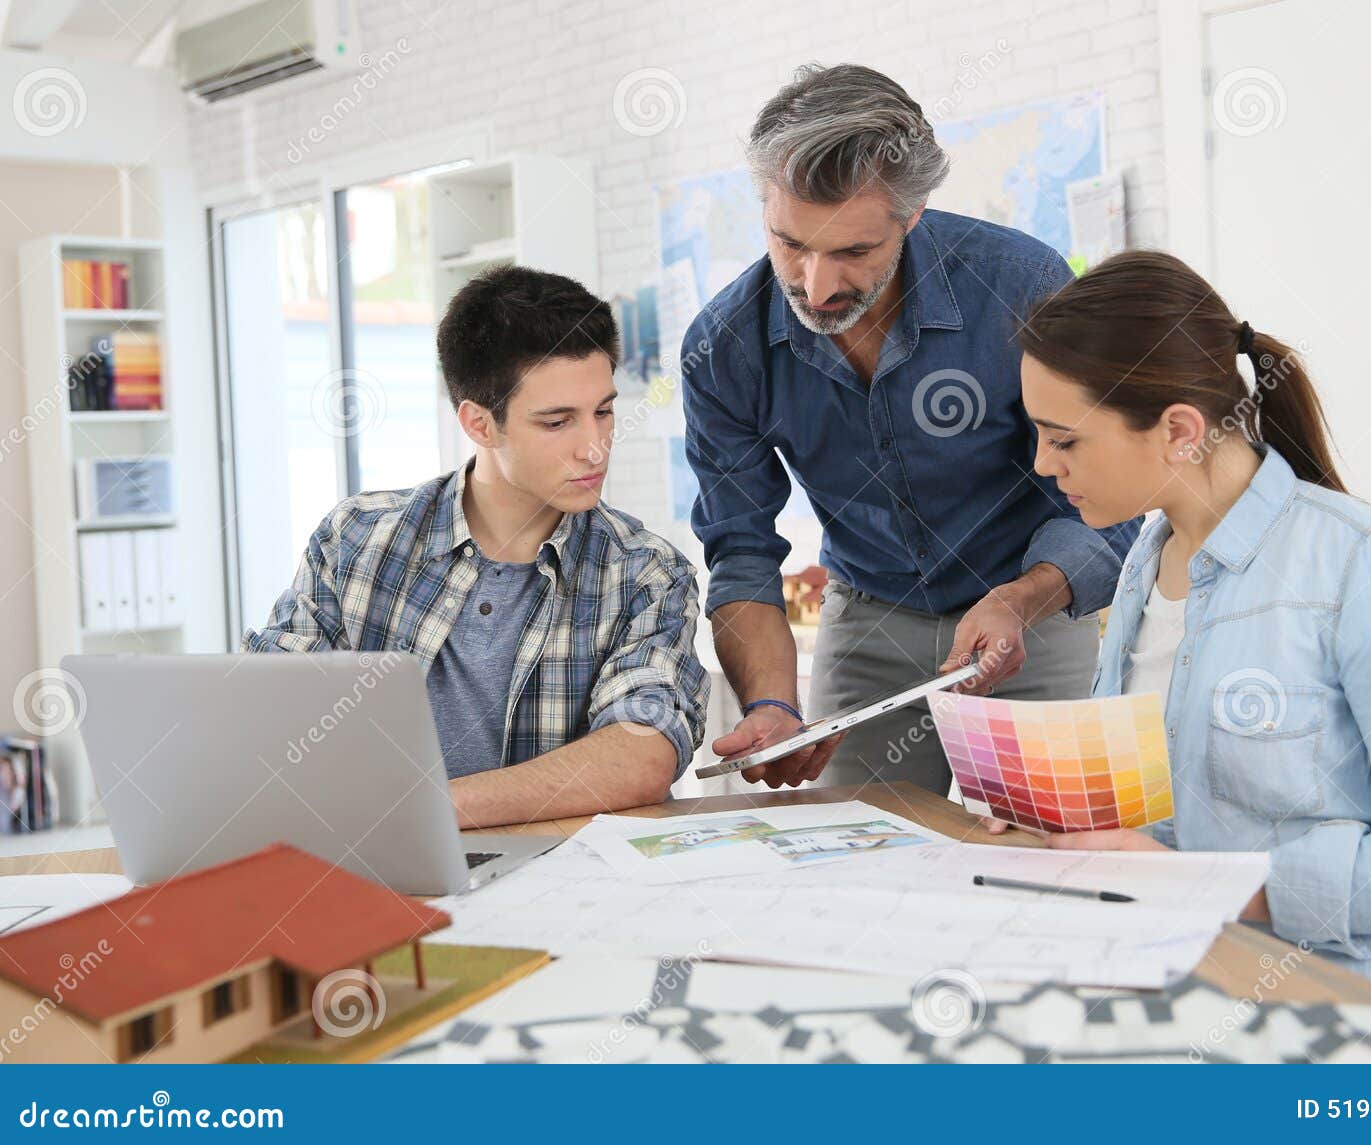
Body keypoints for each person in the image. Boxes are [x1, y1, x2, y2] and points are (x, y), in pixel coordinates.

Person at [1005, 249, 1371, 1007]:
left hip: (1335, 1025)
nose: (1042, 463)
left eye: (1064, 438)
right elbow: (1168, 820)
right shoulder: (1148, 556)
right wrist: (1056, 818)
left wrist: (1208, 887)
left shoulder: (1364, 564)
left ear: (1177, 430)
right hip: (1176, 982)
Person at [681, 63, 1138, 793]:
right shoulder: (723, 346)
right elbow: (740, 547)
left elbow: (1108, 493)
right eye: (790, 243)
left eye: (854, 252)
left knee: (1049, 848)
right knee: (860, 855)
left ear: (914, 212)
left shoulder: (1022, 284)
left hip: (1030, 603)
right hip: (870, 615)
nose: (817, 285)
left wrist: (1022, 600)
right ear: (764, 203)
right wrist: (769, 701)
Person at [245, 266, 708, 826]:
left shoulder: (646, 572)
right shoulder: (357, 540)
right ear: (480, 424)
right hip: (377, 873)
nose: (596, 448)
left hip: (565, 885)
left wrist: (421, 810)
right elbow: (270, 711)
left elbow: (641, 753)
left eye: (604, 411)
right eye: (558, 422)